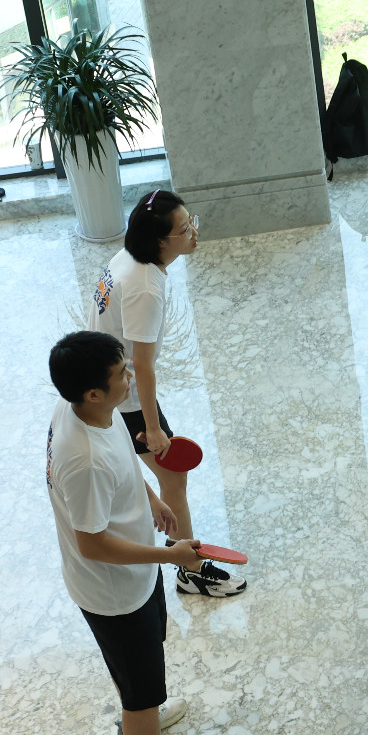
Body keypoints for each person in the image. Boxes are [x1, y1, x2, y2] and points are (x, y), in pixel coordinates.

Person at [46, 330, 216, 735]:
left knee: (143, 672)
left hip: (135, 576)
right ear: (93, 391)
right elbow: (93, 544)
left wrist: (152, 498)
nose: (131, 378)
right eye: (122, 374)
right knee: (141, 692)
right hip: (114, 592)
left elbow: (119, 453)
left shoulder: (87, 411)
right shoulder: (84, 461)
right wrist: (170, 555)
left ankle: (137, 717)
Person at [90, 191, 244, 599]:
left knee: (164, 477)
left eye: (191, 222)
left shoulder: (127, 259)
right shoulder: (146, 287)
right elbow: (142, 365)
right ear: (160, 241)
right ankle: (190, 570)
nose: (194, 233)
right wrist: (153, 428)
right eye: (184, 229)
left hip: (107, 381)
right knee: (172, 476)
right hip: (122, 396)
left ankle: (180, 556)